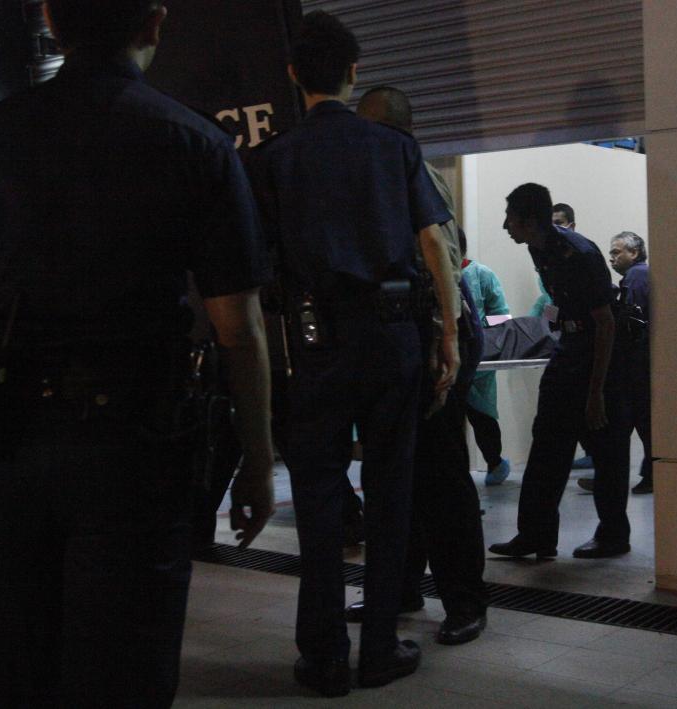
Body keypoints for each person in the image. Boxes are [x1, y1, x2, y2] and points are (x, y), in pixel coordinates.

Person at [0, 2, 275, 706]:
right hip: (137, 443)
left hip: (9, 445)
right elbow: (239, 328)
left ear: (50, 19)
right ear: (155, 23)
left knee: (25, 668)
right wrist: (256, 459)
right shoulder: (197, 143)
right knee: (127, 671)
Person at [246, 12, 460, 696]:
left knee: (317, 498)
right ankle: (377, 650)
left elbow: (254, 267)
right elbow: (434, 244)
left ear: (290, 77)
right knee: (392, 492)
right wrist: (449, 332)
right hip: (393, 338)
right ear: (354, 72)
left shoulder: (273, 158)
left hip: (316, 345)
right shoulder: (393, 148)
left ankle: (323, 653)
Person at [341, 85, 488, 647]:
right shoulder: (394, 174)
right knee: (395, 469)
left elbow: (440, 261)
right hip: (408, 334)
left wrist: (443, 338)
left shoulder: (414, 174)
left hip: (432, 334)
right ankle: (400, 586)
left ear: (389, 131)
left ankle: (465, 601)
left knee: (439, 474)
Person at [489, 183, 631, 560]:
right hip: (568, 350)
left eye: (510, 218)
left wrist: (596, 392)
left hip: (598, 355)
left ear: (529, 220)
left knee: (606, 448)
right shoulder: (538, 248)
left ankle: (613, 534)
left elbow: (605, 323)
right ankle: (536, 535)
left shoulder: (578, 253)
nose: (506, 226)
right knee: (547, 444)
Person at [580, 232, 652, 494]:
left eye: (617, 252)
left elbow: (629, 324)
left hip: (636, 365)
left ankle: (612, 478)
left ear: (634, 253)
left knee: (628, 423)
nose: (611, 258)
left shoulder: (635, 277)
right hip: (640, 364)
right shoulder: (640, 276)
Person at [460, 231, 513, 485]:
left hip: (480, 361)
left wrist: (478, 330)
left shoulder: (481, 275)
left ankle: (494, 463)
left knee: (482, 417)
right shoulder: (433, 273)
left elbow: (502, 316)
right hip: (450, 361)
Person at [552, 202, 595, 471]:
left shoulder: (582, 254)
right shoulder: (545, 257)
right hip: (561, 336)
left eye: (560, 222)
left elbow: (499, 313)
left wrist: (492, 322)